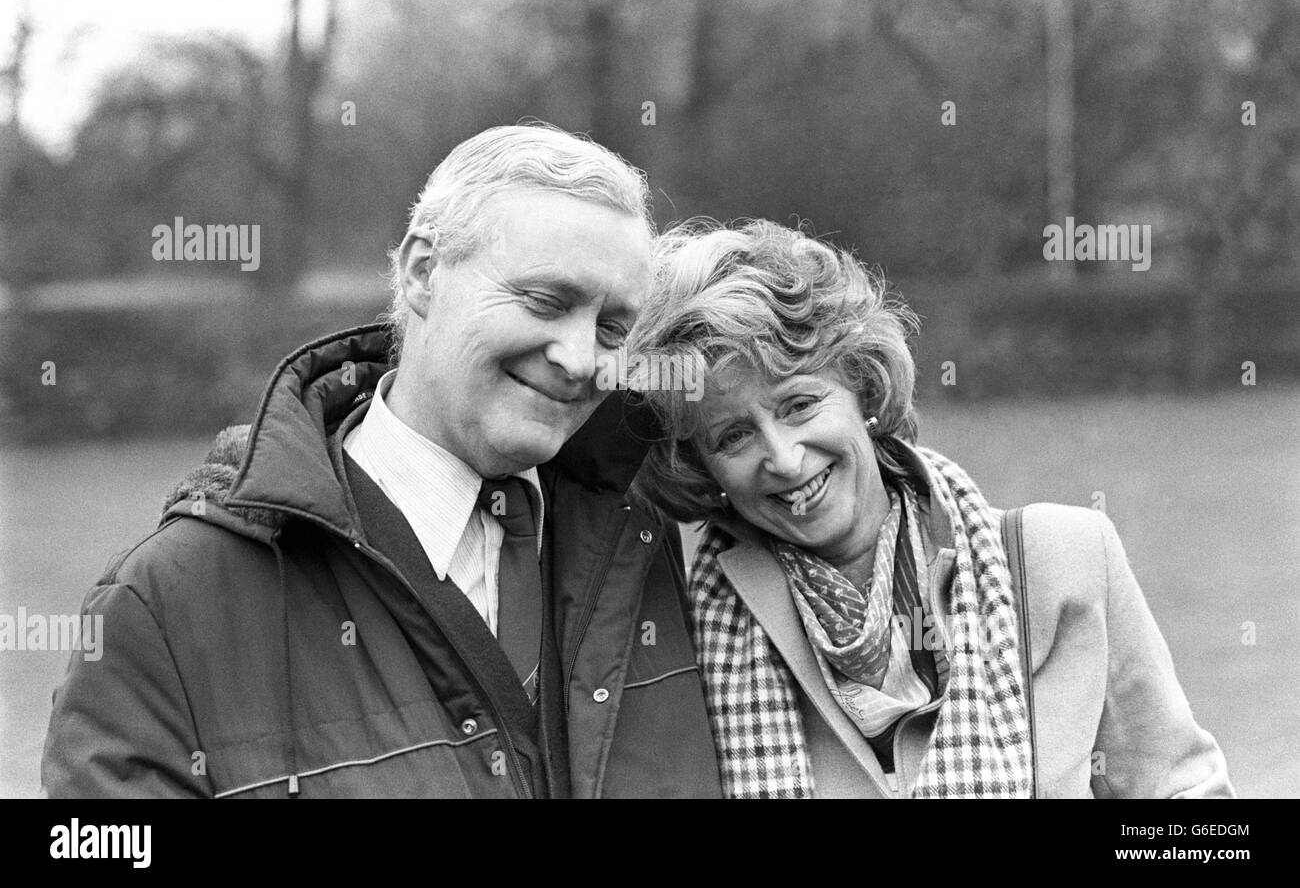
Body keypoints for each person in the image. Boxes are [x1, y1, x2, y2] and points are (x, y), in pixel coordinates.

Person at [41, 124, 722, 798]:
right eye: (546, 301)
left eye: (610, 329)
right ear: (424, 272)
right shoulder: (168, 605)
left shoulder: (650, 544)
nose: (579, 360)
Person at [626, 218, 1234, 798]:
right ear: (702, 466)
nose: (783, 459)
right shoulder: (676, 620)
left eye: (799, 404)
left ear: (862, 383)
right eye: (733, 436)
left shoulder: (1065, 560)